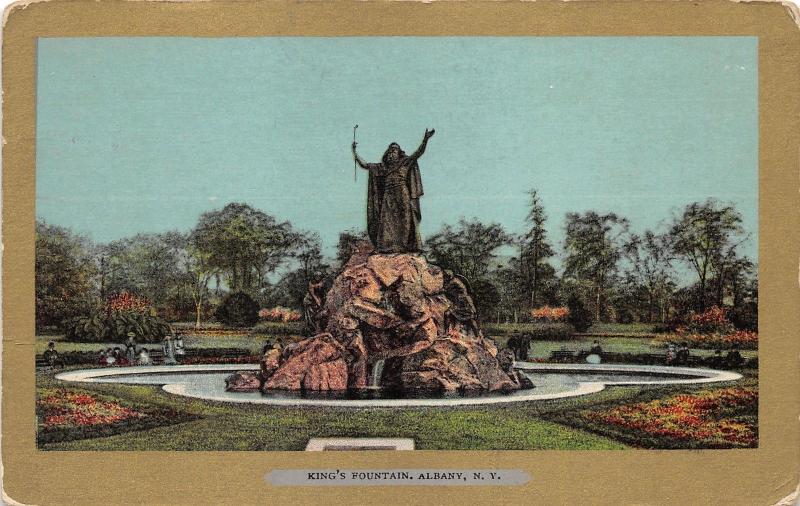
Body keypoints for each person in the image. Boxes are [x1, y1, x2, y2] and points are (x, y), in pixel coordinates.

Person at [352, 129, 434, 253]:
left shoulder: (405, 162)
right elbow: (364, 165)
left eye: (395, 150)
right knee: (387, 221)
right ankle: (387, 247)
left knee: (405, 219)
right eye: (390, 150)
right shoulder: (383, 167)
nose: (392, 152)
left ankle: (406, 246)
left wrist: (425, 139)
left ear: (399, 153)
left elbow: (419, 152)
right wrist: (354, 152)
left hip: (402, 192)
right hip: (388, 196)